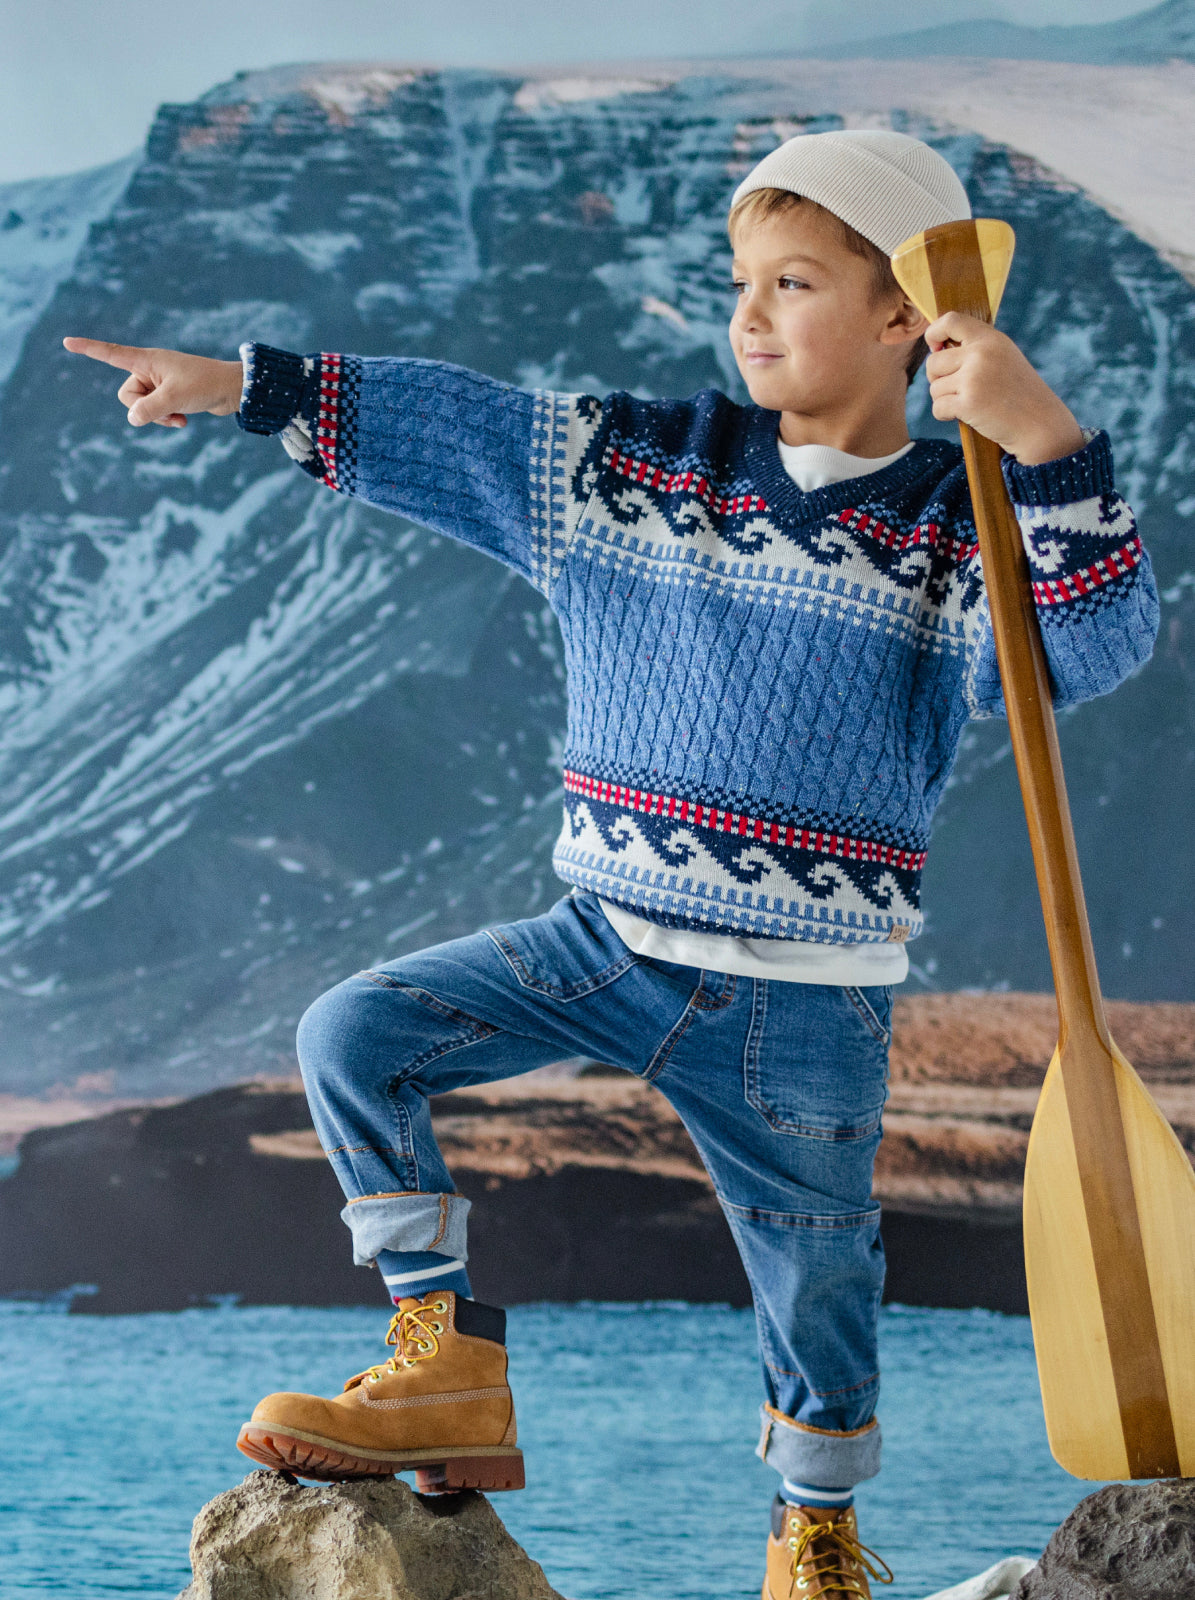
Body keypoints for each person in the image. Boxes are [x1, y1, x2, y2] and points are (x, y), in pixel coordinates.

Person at [65, 129, 1157, 1600]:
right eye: (740, 282)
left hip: (807, 1004)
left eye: (793, 283)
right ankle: (442, 1358)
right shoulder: (634, 465)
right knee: (352, 1037)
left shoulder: (953, 525)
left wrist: (1047, 449)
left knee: (819, 1277)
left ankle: (815, 1534)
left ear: (907, 314)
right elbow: (453, 423)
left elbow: (1095, 650)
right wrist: (241, 386)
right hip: (604, 944)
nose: (749, 315)